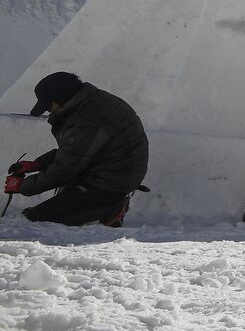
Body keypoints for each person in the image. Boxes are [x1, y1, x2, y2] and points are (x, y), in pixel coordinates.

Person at [4, 72, 149, 226]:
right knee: (43, 212)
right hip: (108, 168)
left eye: (49, 105)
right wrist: (37, 164)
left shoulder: (88, 119)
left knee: (37, 219)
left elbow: (64, 170)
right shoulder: (89, 102)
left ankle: (112, 209)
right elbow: (76, 151)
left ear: (61, 99)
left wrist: (23, 186)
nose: (49, 111)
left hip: (112, 181)